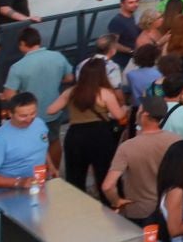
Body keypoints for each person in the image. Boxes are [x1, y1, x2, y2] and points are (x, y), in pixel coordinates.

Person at [55, 58, 129, 194]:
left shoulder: (71, 92)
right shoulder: (104, 93)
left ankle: (77, 202)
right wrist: (124, 108)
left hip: (75, 134)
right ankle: (111, 202)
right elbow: (118, 115)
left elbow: (51, 110)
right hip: (100, 134)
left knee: (75, 175)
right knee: (104, 171)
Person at [104, 98, 179, 223]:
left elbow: (108, 186)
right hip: (170, 207)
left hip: (139, 211)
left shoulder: (127, 147)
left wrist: (117, 201)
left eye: (139, 110)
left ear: (144, 115)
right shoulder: (176, 140)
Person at [0, 93, 52, 189]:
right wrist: (20, 182)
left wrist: (51, 167)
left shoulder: (39, 123)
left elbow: (42, 147)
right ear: (10, 113)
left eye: (33, 113)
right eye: (23, 116)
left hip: (37, 187)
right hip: (9, 192)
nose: (29, 119)